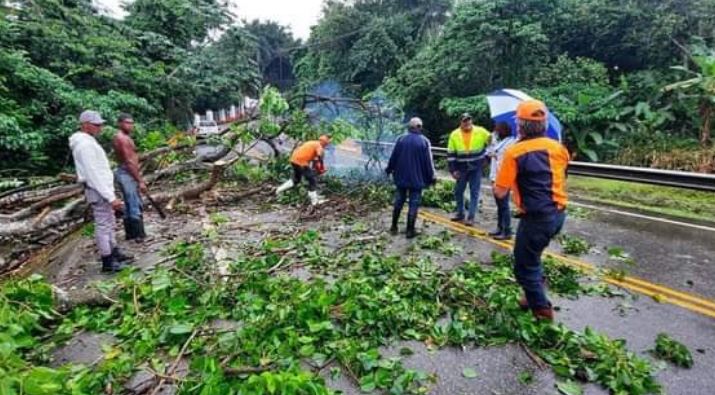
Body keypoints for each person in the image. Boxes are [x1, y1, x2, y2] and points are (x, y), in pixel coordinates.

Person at [494, 100, 569, 321]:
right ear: (544, 125)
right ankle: (532, 292)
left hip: (536, 218)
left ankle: (542, 310)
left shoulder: (514, 152)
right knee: (533, 255)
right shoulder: (558, 148)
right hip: (558, 215)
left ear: (521, 125)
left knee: (523, 265)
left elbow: (500, 192)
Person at [69, 110, 133, 273]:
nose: (100, 127)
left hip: (102, 189)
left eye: (100, 124)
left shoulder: (88, 142)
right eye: (96, 125)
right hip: (98, 190)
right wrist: (110, 197)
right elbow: (93, 174)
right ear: (85, 125)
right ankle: (107, 261)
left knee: (110, 222)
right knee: (103, 225)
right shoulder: (84, 145)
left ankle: (114, 252)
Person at [386, 117, 436, 239]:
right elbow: (428, 163)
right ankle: (410, 230)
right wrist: (431, 178)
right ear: (420, 127)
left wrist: (389, 170)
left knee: (399, 202)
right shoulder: (424, 141)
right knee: (413, 204)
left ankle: (393, 227)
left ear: (409, 127)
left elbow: (393, 157)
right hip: (417, 180)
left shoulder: (401, 139)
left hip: (401, 178)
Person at [446, 113, 491, 226]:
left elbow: (493, 142)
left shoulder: (481, 131)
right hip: (461, 168)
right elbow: (451, 154)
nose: (467, 123)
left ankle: (470, 217)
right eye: (465, 121)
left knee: (474, 192)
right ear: (460, 122)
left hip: (476, 167)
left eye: (469, 120)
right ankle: (460, 213)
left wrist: (487, 158)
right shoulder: (454, 135)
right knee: (458, 191)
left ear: (471, 121)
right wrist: (453, 170)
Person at [113, 113, 148, 243]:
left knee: (128, 203)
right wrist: (140, 181)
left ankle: (130, 234)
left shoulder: (123, 137)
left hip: (124, 172)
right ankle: (139, 235)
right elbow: (128, 161)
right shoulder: (122, 139)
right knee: (134, 203)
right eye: (127, 123)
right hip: (127, 173)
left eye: (132, 123)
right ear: (120, 123)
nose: (130, 126)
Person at [276, 135, 331, 206]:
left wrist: (319, 169)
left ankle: (278, 190)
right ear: (323, 142)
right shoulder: (318, 146)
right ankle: (314, 202)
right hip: (301, 162)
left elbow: (315, 162)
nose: (327, 145)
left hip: (294, 160)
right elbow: (319, 156)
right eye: (327, 143)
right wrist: (322, 167)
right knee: (312, 180)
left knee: (296, 179)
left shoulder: (312, 142)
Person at [487, 122, 517, 240]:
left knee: (503, 205)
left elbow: (500, 157)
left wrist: (494, 153)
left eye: (497, 130)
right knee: (499, 204)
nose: (495, 132)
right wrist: (490, 143)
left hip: (502, 177)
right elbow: (490, 153)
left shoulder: (511, 143)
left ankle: (507, 230)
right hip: (495, 175)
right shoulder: (499, 142)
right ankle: (500, 227)